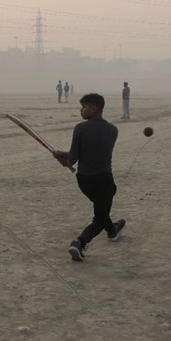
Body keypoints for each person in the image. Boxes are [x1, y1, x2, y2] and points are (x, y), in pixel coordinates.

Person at [52, 93, 125, 262]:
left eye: (83, 107)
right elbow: (95, 150)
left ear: (93, 108)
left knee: (103, 206)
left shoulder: (80, 128)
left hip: (84, 181)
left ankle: (113, 230)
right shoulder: (113, 130)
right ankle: (79, 242)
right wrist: (64, 156)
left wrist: (63, 158)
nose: (81, 110)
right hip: (103, 179)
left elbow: (74, 158)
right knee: (99, 217)